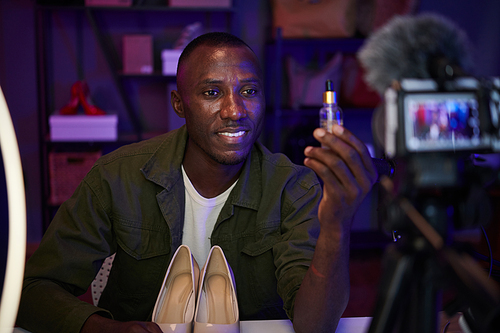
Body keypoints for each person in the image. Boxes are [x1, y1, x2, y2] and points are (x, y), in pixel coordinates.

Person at [16, 32, 377, 333]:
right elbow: (34, 289)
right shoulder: (117, 176)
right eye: (212, 93)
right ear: (179, 104)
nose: (235, 110)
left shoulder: (294, 188)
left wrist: (336, 226)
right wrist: (103, 328)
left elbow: (315, 326)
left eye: (249, 92)